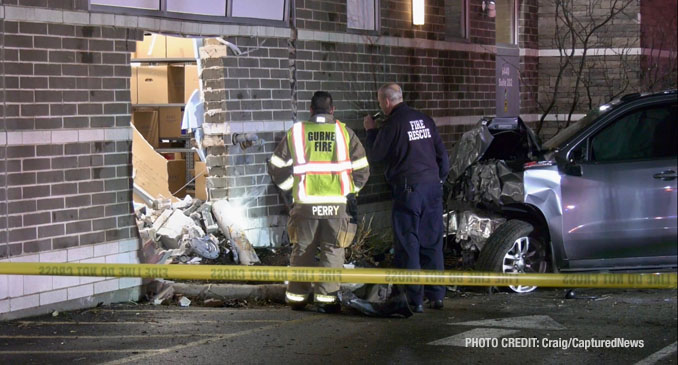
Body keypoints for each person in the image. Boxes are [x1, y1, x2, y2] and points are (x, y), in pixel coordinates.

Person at [268, 91, 370, 313]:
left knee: (302, 250)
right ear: (332, 110)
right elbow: (362, 169)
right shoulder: (344, 133)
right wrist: (350, 193)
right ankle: (327, 300)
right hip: (336, 207)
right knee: (332, 251)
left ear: (311, 110)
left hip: (305, 206)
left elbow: (276, 165)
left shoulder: (297, 132)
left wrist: (290, 190)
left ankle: (297, 298)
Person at [363, 83, 450, 313]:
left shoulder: (393, 124)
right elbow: (443, 157)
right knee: (432, 243)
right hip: (432, 189)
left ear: (387, 102)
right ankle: (437, 295)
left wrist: (371, 130)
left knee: (408, 244)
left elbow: (376, 155)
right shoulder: (425, 120)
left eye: (381, 102)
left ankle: (415, 299)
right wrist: (437, 180)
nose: (381, 105)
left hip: (408, 191)